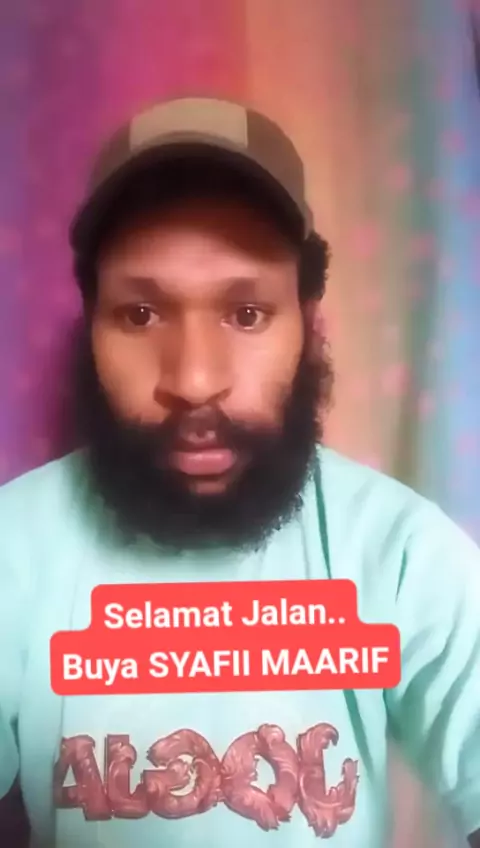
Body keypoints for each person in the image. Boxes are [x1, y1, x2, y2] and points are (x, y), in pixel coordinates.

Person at [0, 96, 479, 848]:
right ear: (91, 322)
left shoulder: (400, 552)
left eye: (247, 313)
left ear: (308, 319)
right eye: (141, 314)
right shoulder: (14, 548)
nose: (195, 381)